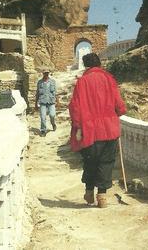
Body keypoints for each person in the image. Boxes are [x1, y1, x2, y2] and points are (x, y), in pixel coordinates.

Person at [68, 53, 126, 208]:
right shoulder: (109, 79)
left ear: (86, 65)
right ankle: (102, 196)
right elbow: (118, 102)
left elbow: (75, 106)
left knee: (90, 161)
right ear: (99, 64)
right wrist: (120, 111)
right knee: (106, 161)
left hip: (90, 129)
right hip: (109, 128)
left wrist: (78, 126)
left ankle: (88, 191)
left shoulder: (82, 82)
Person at [35, 69, 57, 137]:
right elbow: (37, 93)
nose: (46, 74)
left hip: (51, 101)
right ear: (43, 73)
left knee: (52, 115)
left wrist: (58, 101)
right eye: (45, 73)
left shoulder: (53, 81)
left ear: (49, 73)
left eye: (47, 73)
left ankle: (53, 124)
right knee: (43, 117)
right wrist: (36, 103)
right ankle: (43, 130)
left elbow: (55, 92)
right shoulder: (39, 82)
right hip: (42, 101)